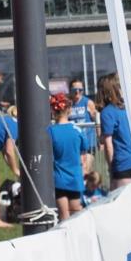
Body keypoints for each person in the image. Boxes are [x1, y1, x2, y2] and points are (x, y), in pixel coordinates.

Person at [97, 73, 131, 189]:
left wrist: (111, 168)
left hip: (124, 163)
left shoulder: (107, 112)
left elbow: (108, 144)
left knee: (122, 202)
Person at [49, 93, 93, 221]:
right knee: (76, 217)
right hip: (75, 178)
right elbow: (84, 154)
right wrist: (84, 169)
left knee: (63, 217)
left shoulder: (50, 131)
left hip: (59, 179)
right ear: (69, 110)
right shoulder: (77, 130)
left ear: (52, 110)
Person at [67, 78, 98, 174]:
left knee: (85, 171)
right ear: (70, 90)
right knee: (76, 171)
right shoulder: (68, 104)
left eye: (80, 90)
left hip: (88, 142)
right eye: (74, 89)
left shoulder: (88, 103)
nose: (77, 92)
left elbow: (96, 121)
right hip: (74, 143)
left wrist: (100, 140)